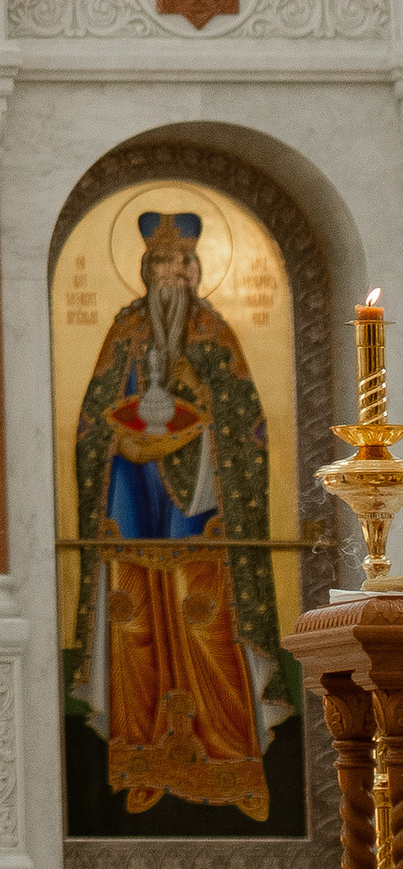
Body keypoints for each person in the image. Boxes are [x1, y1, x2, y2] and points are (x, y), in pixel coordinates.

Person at [65, 208, 296, 827]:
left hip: (201, 511)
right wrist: (129, 420)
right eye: (162, 263)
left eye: (182, 263)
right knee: (135, 628)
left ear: (197, 271)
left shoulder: (216, 335)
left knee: (207, 626)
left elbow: (248, 425)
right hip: (132, 503)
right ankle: (142, 762)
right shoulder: (123, 330)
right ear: (145, 271)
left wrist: (197, 411)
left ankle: (233, 762)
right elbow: (90, 422)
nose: (173, 273)